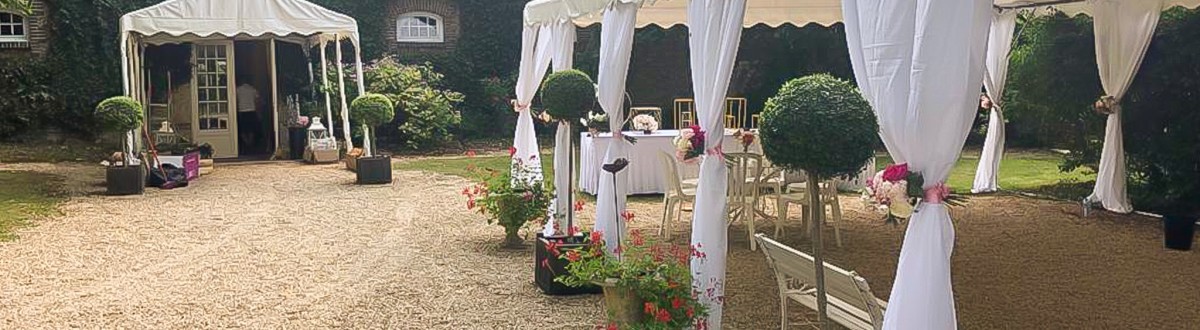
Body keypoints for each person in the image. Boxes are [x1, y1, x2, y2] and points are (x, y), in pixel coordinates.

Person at [236, 75, 260, 152]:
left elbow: (235, 100)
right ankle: (250, 144)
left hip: (242, 111)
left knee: (243, 130)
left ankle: (246, 143)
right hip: (252, 110)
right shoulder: (252, 89)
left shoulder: (238, 90)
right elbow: (257, 100)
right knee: (251, 129)